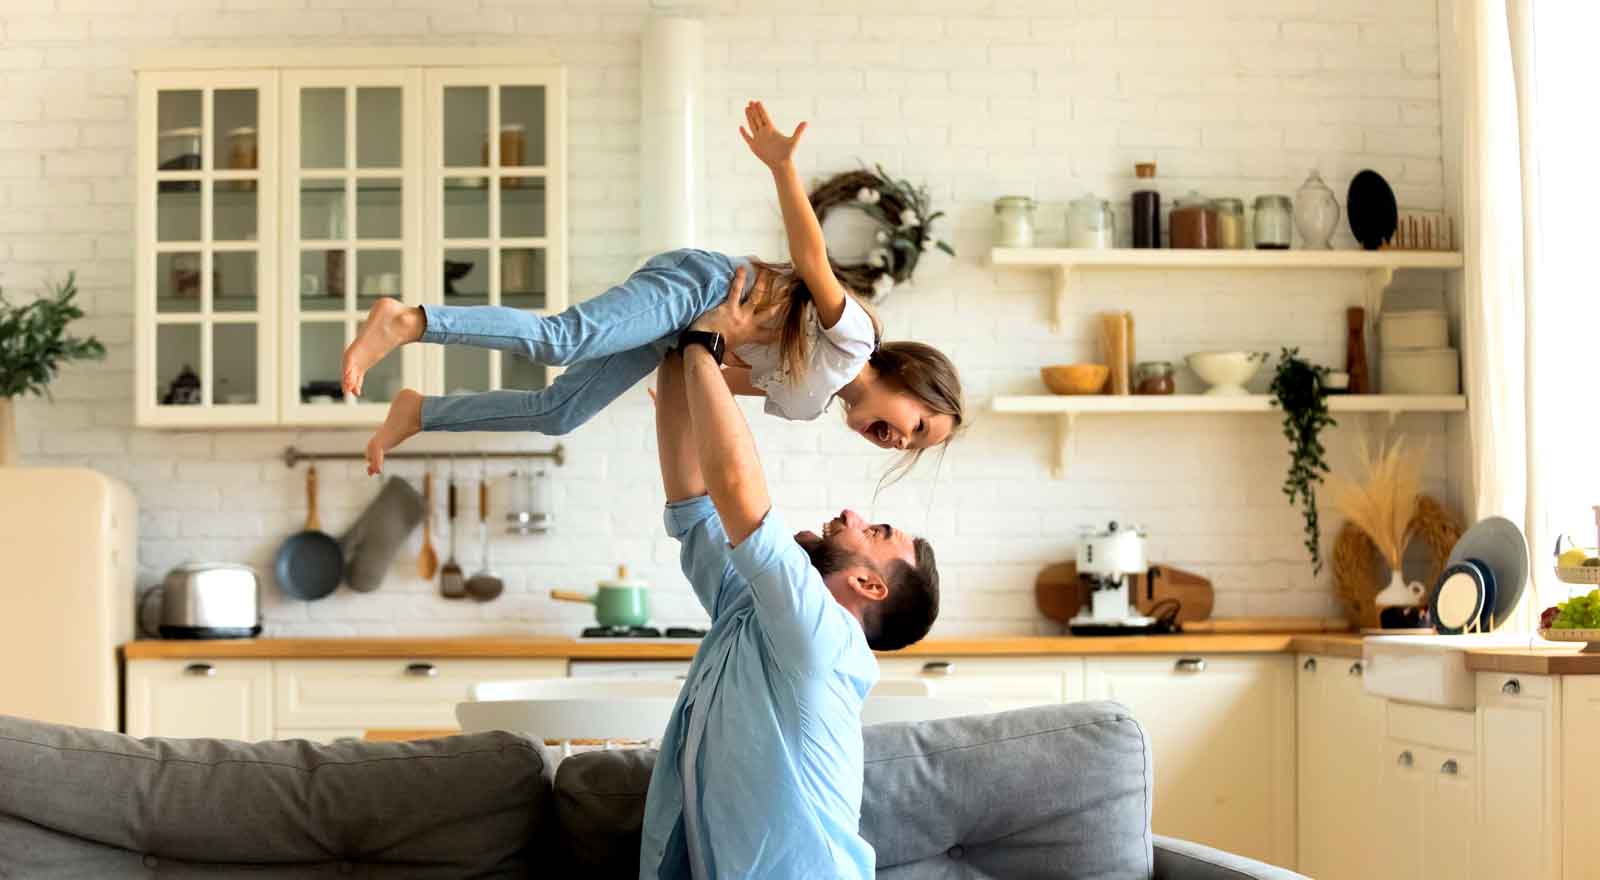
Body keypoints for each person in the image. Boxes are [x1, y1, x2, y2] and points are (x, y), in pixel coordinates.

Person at [341, 100, 964, 476]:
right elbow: (811, 257)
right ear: (912, 382)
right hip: (702, 285)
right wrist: (783, 166)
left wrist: (688, 386)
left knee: (560, 413)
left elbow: (717, 373)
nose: (900, 440)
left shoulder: (805, 405)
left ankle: (420, 412)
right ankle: (409, 321)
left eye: (909, 446)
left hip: (683, 334)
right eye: (918, 425)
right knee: (563, 340)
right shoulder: (855, 339)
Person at [640, 267, 940, 878]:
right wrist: (682, 355)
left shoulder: (824, 638)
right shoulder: (751, 614)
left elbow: (736, 491)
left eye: (875, 532)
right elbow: (694, 498)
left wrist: (705, 345)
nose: (854, 513)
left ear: (868, 585)